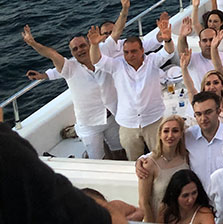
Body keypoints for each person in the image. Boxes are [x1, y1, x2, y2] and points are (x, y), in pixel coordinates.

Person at [21, 23, 124, 160]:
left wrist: (125, 8)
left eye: (82, 46)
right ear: (72, 53)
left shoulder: (102, 57)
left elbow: (116, 33)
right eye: (75, 49)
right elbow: (51, 54)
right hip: (89, 125)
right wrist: (33, 43)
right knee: (98, 161)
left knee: (120, 152)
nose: (80, 50)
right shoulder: (70, 68)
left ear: (89, 45)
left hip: (112, 117)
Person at [89, 12, 175, 160]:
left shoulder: (152, 62)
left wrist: (167, 39)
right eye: (126, 52)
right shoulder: (117, 66)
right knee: (135, 162)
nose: (130, 55)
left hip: (153, 120)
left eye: (134, 51)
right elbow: (96, 60)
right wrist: (94, 45)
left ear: (142, 51)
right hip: (128, 124)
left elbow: (168, 52)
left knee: (160, 158)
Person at [138, 115, 190, 223]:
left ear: (181, 134)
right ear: (160, 134)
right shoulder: (149, 164)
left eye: (175, 131)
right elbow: (143, 201)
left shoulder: (186, 158)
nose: (170, 135)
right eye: (166, 131)